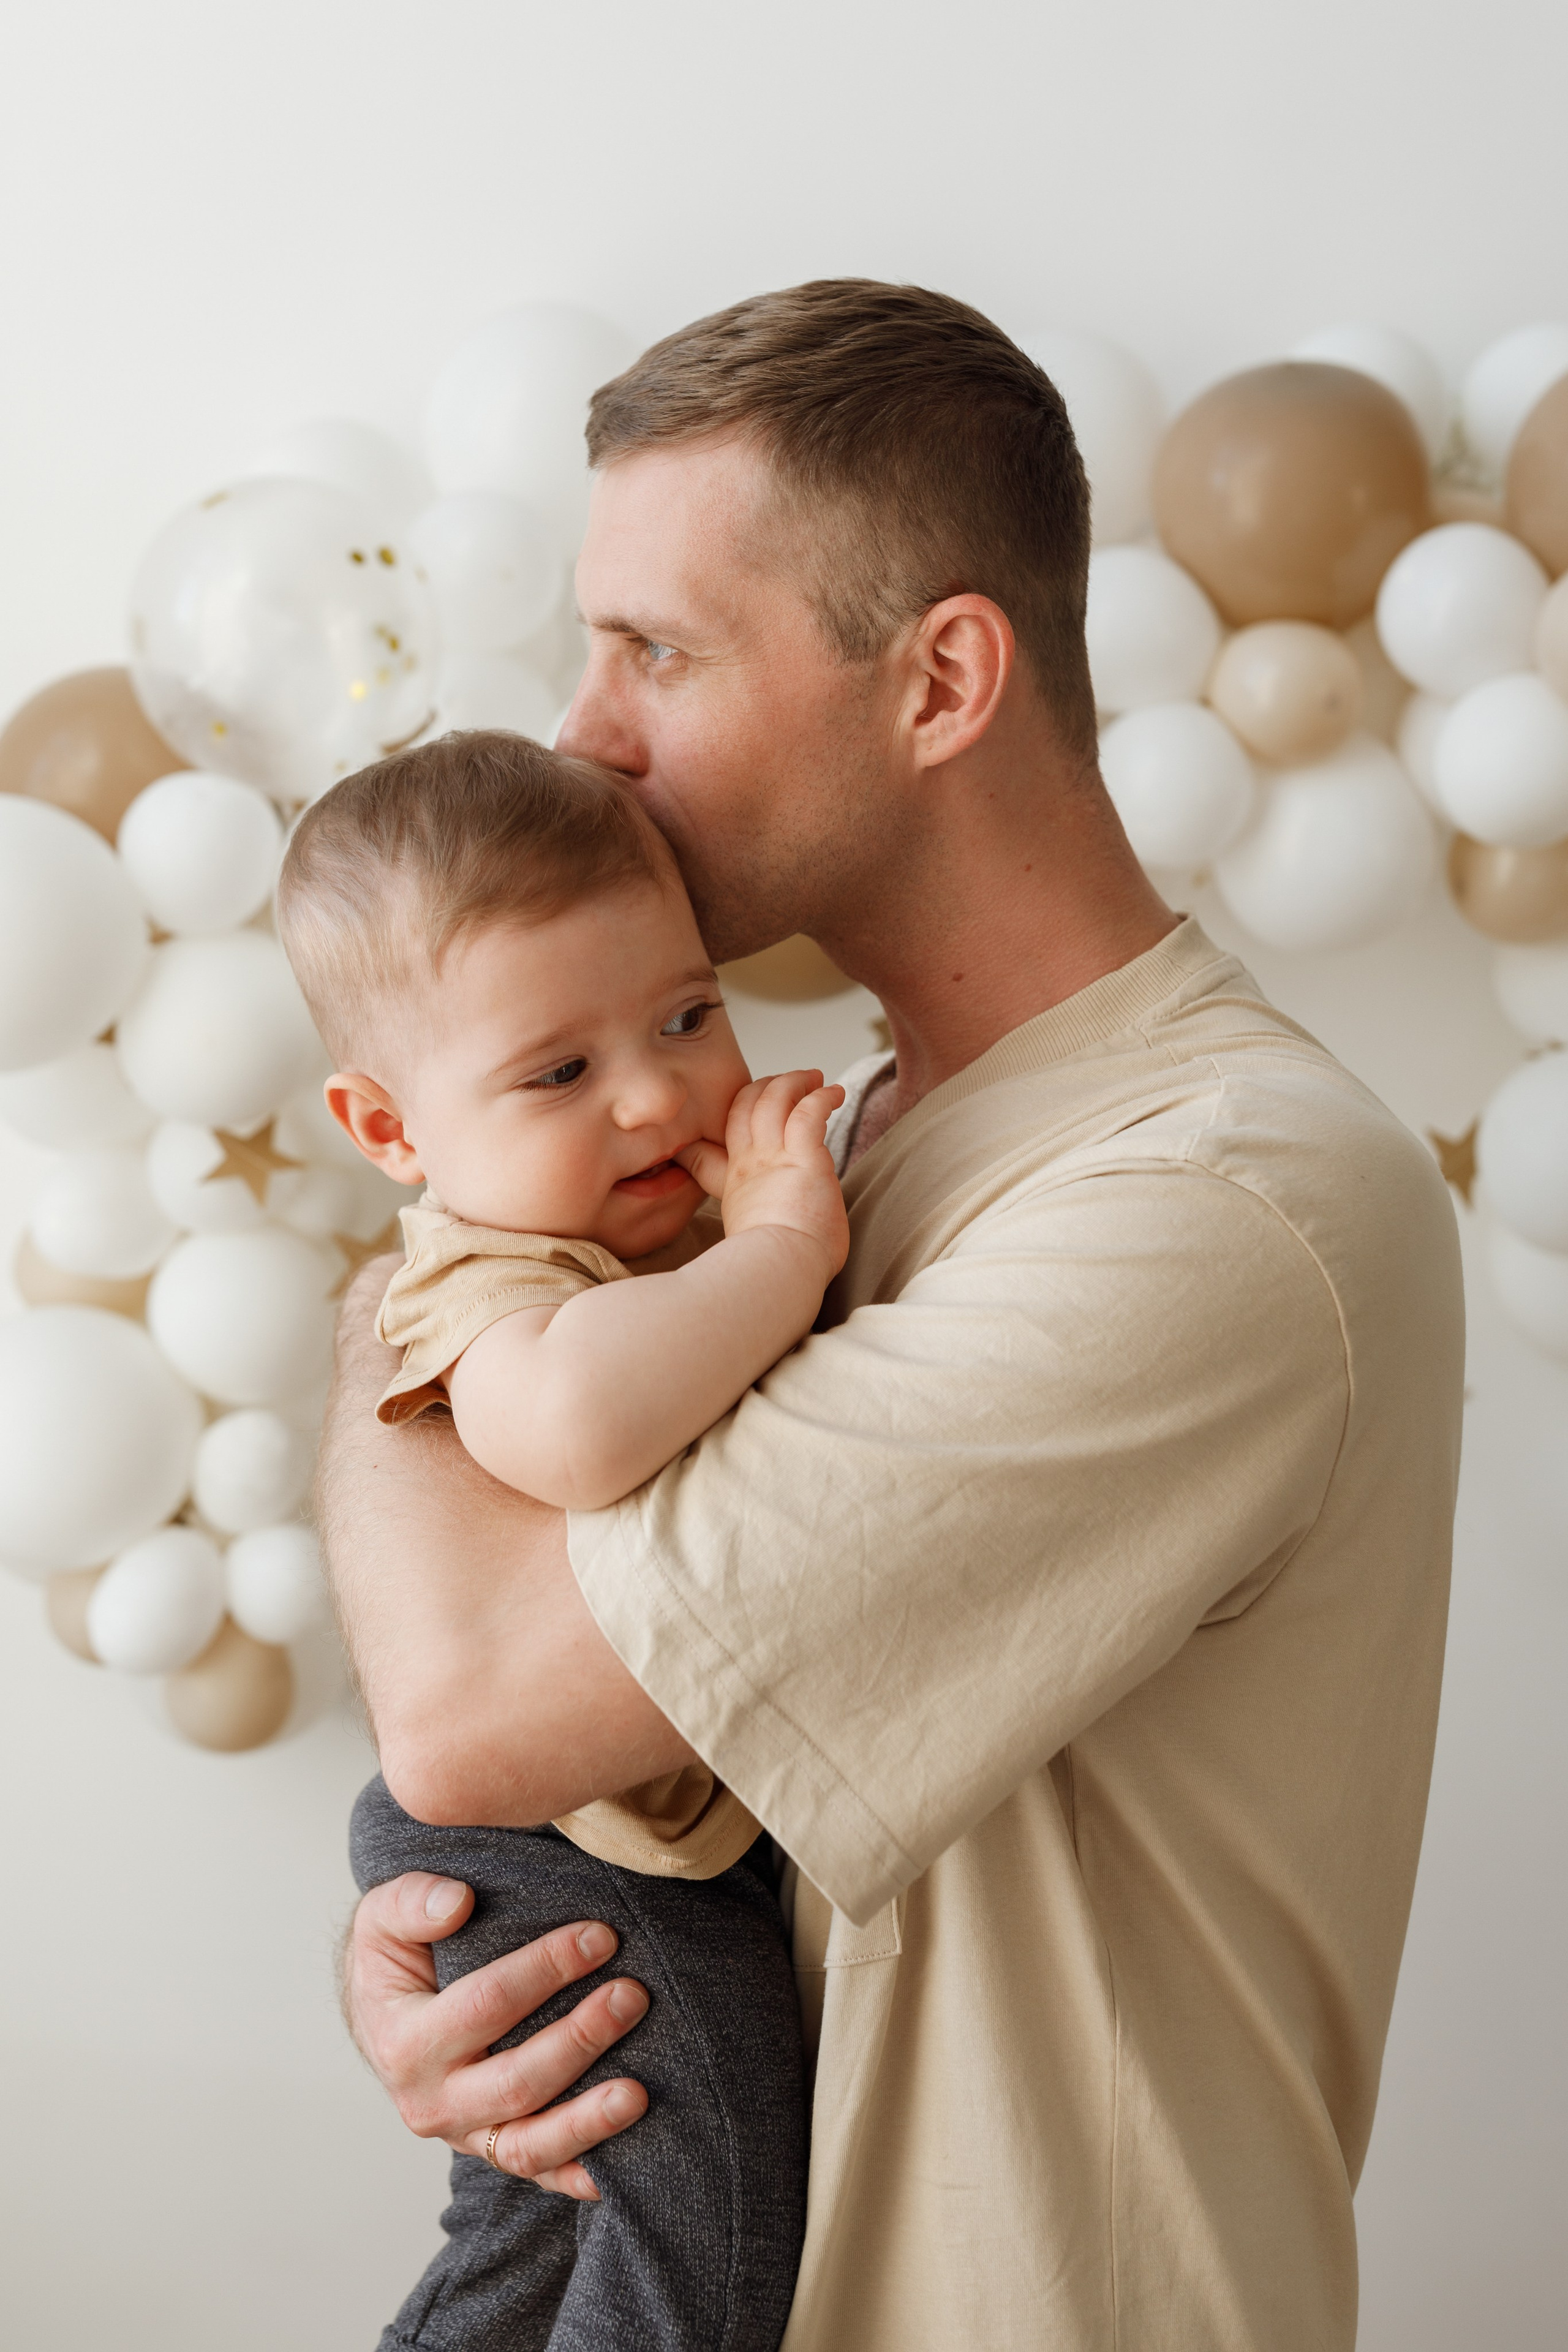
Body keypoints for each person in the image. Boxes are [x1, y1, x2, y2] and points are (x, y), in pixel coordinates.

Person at [324, 281, 1465, 2351]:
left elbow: (474, 1706)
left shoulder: (1213, 1200)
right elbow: (616, 1766)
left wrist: (423, 1288)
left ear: (941, 679)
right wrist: (493, 1947)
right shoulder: (821, 1158)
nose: (586, 731)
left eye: (657, 649)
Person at [277, 732, 852, 2349]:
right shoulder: (480, 1281)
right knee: (712, 2211)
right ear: (390, 1131)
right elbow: (578, 1426)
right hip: (562, 1855)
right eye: (559, 1072)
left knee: (532, 2239)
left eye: (688, 1014)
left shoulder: (642, 1241)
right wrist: (790, 1243)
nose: (662, 1094)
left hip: (575, 1839)